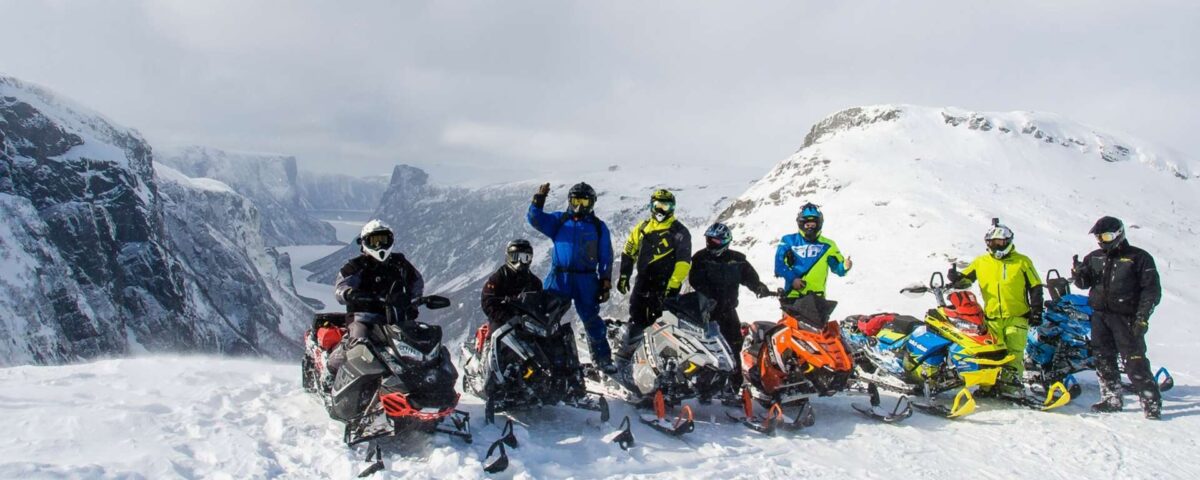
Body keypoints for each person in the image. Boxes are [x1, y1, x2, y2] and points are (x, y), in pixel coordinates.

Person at [1072, 216, 1162, 419]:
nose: (1101, 241)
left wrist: (1142, 317)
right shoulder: (1094, 257)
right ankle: (1111, 397)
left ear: (1118, 234)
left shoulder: (1138, 258)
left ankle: (1151, 401)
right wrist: (1079, 274)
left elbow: (1151, 290)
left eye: (1105, 236)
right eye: (1098, 237)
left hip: (1126, 317)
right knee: (1103, 357)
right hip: (1099, 315)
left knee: (1134, 359)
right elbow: (1085, 284)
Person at [526, 182, 616, 371]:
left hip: (587, 279)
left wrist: (605, 281)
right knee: (546, 318)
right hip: (560, 277)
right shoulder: (559, 220)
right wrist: (538, 199)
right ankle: (544, 359)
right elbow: (535, 219)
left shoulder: (598, 227)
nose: (579, 206)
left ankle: (602, 360)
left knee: (591, 319)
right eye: (576, 201)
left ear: (592, 203)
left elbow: (606, 255)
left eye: (584, 202)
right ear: (569, 201)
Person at [947, 219, 1043, 395]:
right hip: (991, 318)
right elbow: (966, 280)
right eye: (992, 243)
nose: (996, 246)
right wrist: (955, 277)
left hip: (1016, 316)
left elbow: (1035, 286)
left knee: (1013, 353)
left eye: (999, 242)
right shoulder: (981, 262)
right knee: (989, 353)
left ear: (1008, 241)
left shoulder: (1022, 262)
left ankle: (1010, 387)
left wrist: (1037, 310)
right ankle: (987, 386)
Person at [329, 220, 424, 369]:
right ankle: (332, 368)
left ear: (390, 240)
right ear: (364, 242)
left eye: (383, 240)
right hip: (363, 318)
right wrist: (351, 294)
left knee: (418, 342)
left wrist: (413, 301)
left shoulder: (400, 263)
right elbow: (340, 288)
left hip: (396, 318)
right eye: (374, 241)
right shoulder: (355, 266)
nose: (379, 245)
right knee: (358, 342)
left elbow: (417, 282)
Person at [614, 189, 693, 366]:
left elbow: (683, 261)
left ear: (672, 208)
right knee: (636, 320)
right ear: (651, 206)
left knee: (663, 325)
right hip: (643, 282)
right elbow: (629, 251)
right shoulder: (642, 228)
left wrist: (674, 283)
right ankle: (625, 362)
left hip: (665, 285)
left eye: (665, 206)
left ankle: (664, 365)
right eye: (658, 206)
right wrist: (624, 275)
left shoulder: (680, 232)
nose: (660, 210)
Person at [688, 222, 770, 387]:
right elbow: (695, 280)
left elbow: (749, 276)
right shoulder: (700, 258)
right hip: (707, 311)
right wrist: (709, 296)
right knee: (707, 347)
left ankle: (734, 384)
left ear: (725, 242)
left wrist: (759, 287)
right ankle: (705, 384)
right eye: (709, 239)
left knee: (734, 345)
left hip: (728, 310)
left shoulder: (737, 260)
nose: (711, 243)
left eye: (715, 241)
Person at [774, 203, 852, 300]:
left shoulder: (828, 245)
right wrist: (792, 279)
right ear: (801, 224)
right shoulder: (788, 241)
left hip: (817, 298)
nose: (810, 228)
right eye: (807, 225)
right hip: (792, 296)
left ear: (819, 224)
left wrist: (845, 266)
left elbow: (838, 268)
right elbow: (779, 265)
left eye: (813, 225)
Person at [480, 239, 544, 332]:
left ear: (530, 259)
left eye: (525, 258)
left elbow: (540, 304)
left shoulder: (535, 282)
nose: (520, 262)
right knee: (499, 335)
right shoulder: (499, 277)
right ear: (508, 257)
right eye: (515, 257)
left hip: (528, 322)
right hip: (502, 320)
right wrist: (507, 317)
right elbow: (487, 301)